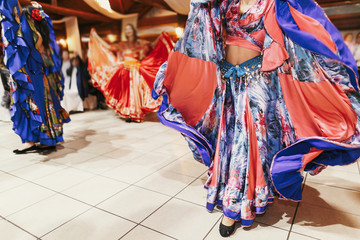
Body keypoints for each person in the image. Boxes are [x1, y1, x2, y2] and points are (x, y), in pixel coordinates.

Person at [153, 0, 360, 237]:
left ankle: (233, 209)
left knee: (247, 143)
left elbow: (299, 36)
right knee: (228, 140)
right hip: (227, 82)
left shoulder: (274, 3)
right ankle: (237, 191)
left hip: (257, 83)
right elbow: (203, 28)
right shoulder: (225, 3)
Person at [0, 1, 70, 153]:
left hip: (34, 77)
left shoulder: (32, 34)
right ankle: (30, 140)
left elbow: (15, 15)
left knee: (36, 105)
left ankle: (44, 138)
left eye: (21, 16)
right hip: (26, 77)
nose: (17, 17)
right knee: (25, 106)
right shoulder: (26, 33)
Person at [88, 24, 174, 122]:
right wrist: (97, 38)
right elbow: (109, 47)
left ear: (133, 31)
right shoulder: (122, 45)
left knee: (135, 93)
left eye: (130, 29)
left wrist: (160, 37)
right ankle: (129, 114)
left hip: (136, 71)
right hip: (125, 70)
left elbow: (151, 46)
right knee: (127, 94)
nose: (128, 31)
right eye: (126, 29)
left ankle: (136, 113)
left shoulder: (140, 43)